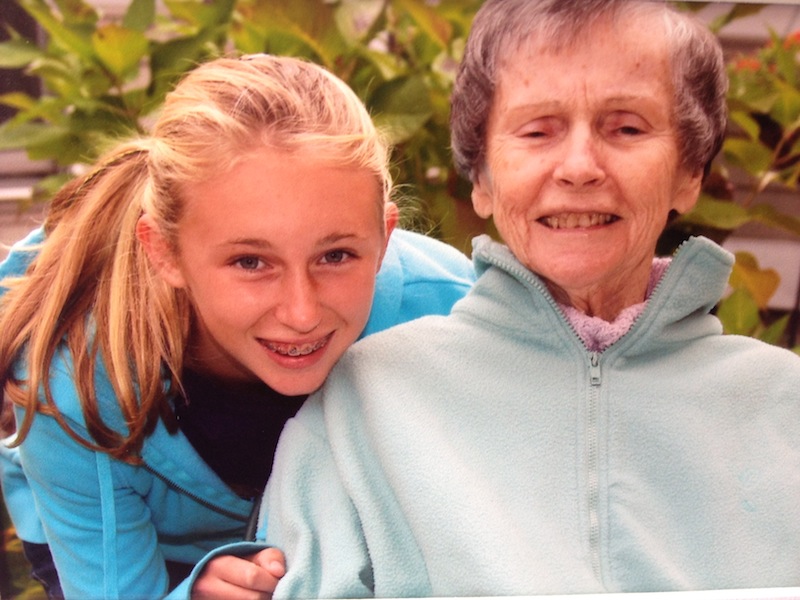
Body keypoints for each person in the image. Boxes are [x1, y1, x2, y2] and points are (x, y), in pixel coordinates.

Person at [191, 0, 800, 596]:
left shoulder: (782, 405)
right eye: (538, 131)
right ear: (480, 179)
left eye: (626, 128)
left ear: (689, 174)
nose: (579, 167)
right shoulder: (362, 403)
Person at [0, 53, 476, 599]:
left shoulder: (448, 316)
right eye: (251, 262)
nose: (301, 313)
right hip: (129, 548)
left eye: (336, 255)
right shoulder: (81, 385)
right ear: (165, 252)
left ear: (384, 238)